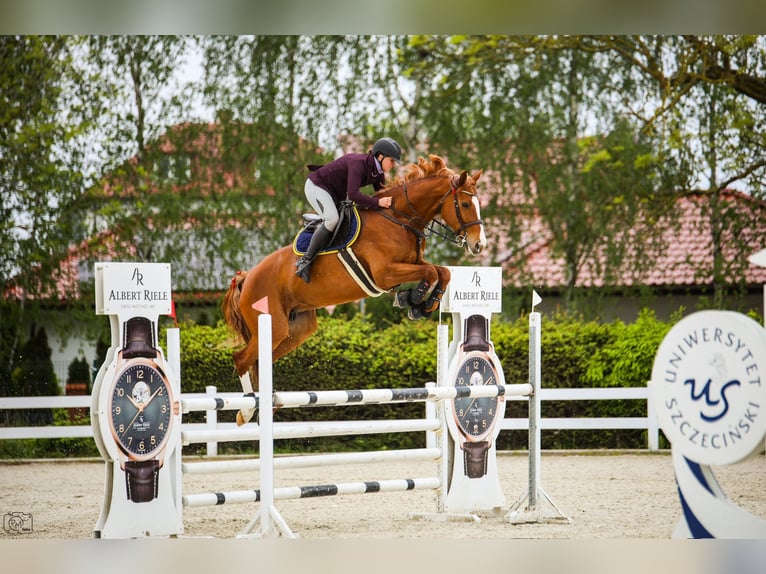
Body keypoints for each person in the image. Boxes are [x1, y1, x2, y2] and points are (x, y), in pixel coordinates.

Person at [295, 137, 402, 283]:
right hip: (317, 186)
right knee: (333, 219)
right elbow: (353, 194)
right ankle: (304, 261)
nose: (393, 165)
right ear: (380, 156)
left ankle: (321, 223)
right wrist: (377, 202)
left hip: (333, 194)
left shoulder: (378, 173)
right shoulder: (358, 164)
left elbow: (382, 194)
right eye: (392, 160)